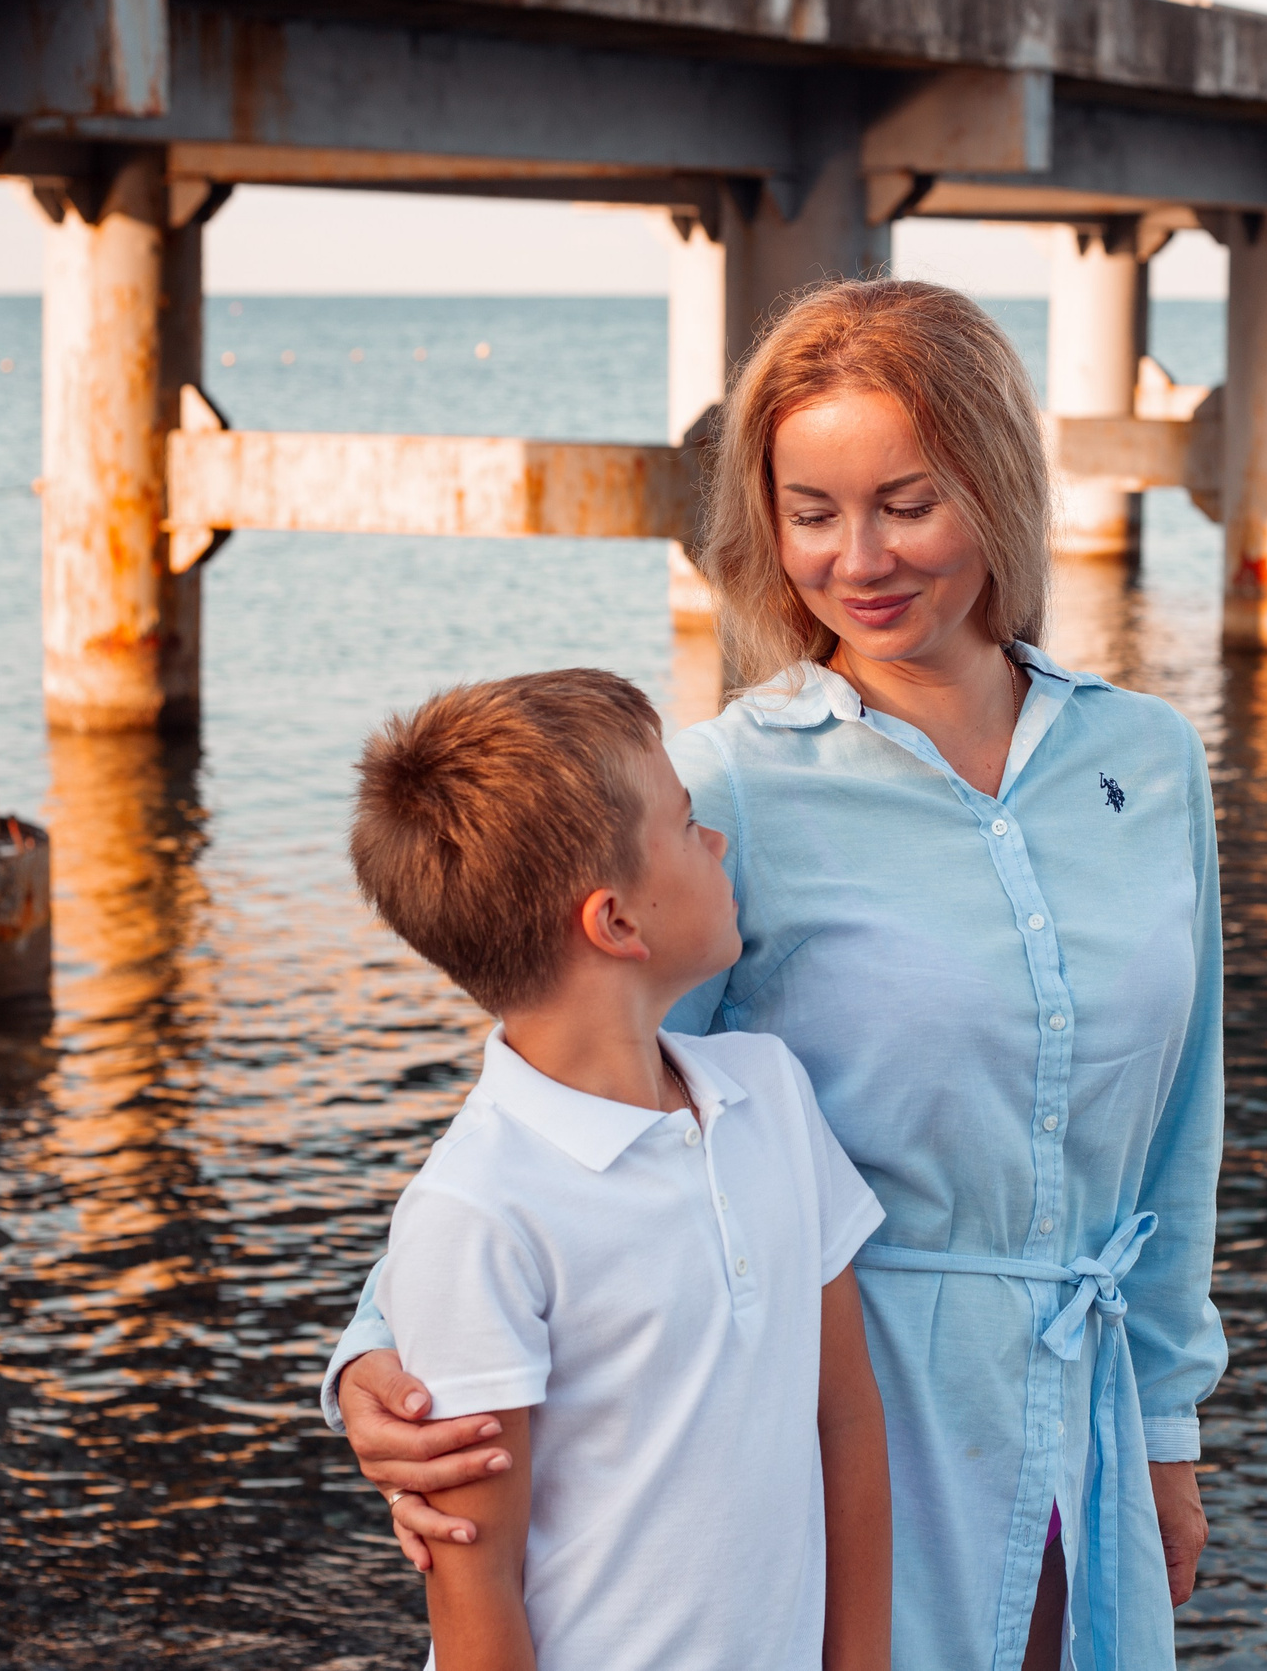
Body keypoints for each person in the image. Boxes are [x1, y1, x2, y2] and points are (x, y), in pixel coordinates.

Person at [325, 280, 1225, 1671]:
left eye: (905, 501)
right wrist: (379, 1355)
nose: (857, 557)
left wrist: (1167, 1425)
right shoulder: (724, 790)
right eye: (811, 512)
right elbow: (561, 1081)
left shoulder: (1148, 758)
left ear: (994, 483)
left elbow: (1181, 1131)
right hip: (856, 1432)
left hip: (1086, 1433)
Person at [344, 669, 891, 1671]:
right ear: (616, 924)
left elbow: (847, 1420)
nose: (717, 842)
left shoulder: (769, 1095)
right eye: (687, 826)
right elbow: (475, 1598)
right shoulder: (477, 1211)